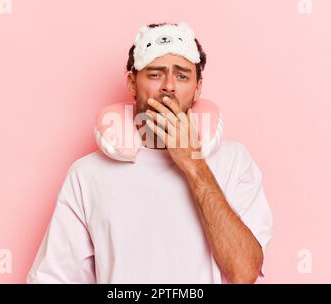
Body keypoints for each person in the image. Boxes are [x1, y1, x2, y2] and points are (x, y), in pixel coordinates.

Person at [27, 22, 273, 284]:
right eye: (155, 74)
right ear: (132, 83)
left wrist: (193, 163)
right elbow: (51, 278)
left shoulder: (234, 161)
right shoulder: (87, 174)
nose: (168, 86)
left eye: (182, 76)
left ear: (198, 88)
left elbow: (244, 272)